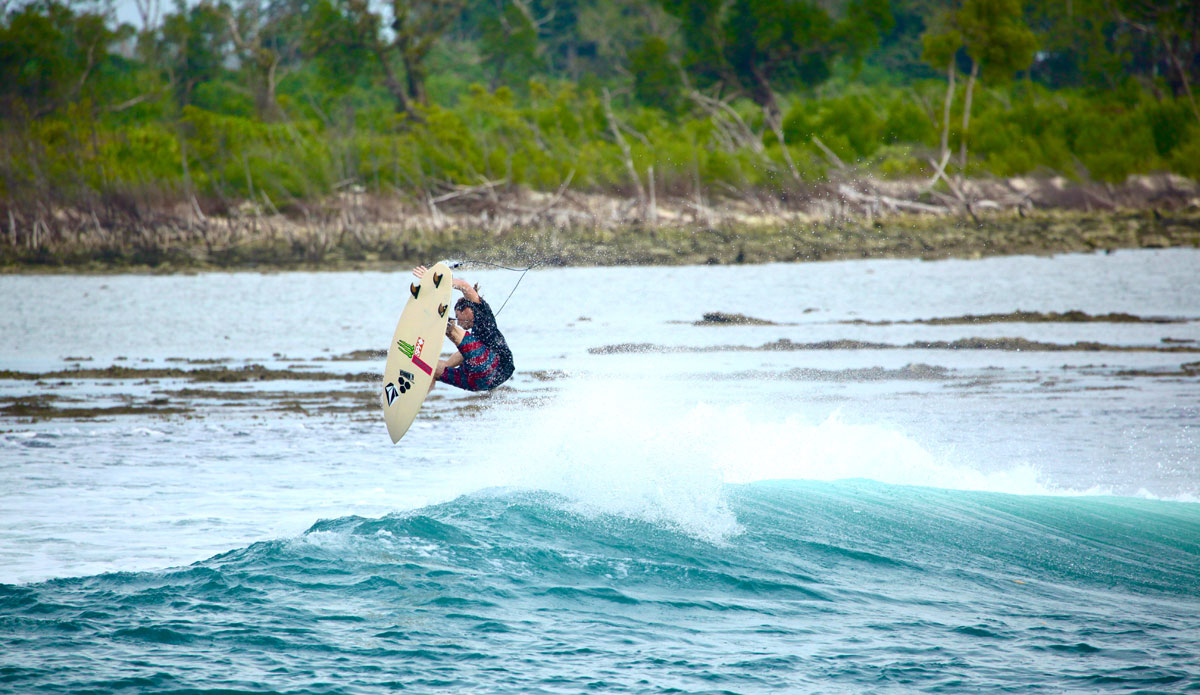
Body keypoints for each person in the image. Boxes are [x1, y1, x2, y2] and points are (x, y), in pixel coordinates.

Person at [412, 265, 515, 392]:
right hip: (479, 382)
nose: (459, 322)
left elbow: (463, 285)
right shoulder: (473, 345)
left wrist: (434, 280)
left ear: (466, 309)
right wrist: (429, 364)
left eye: (457, 316)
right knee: (430, 368)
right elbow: (457, 358)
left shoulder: (481, 311)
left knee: (449, 327)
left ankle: (436, 313)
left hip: (496, 366)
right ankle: (413, 400)